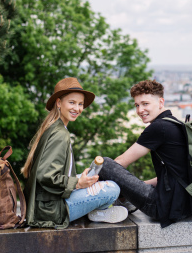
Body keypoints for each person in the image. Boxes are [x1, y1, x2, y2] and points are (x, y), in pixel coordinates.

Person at [98, 80, 192, 228]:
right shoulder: (175, 124)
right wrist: (131, 189)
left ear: (160, 102)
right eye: (137, 105)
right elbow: (173, 176)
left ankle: (96, 209)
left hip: (163, 207)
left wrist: (84, 182)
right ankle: (125, 201)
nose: (140, 110)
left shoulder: (158, 127)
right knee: (126, 180)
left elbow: (121, 161)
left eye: (145, 104)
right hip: (186, 206)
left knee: (105, 164)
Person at [22, 77, 128, 228]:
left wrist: (81, 180)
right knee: (113, 189)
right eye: (72, 102)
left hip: (46, 202)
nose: (77, 109)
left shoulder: (55, 127)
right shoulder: (60, 134)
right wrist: (77, 183)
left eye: (80, 104)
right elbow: (44, 175)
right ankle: (98, 213)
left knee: (94, 178)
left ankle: (96, 211)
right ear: (59, 103)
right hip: (51, 211)